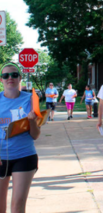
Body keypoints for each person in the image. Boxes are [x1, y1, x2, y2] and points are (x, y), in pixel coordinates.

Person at [0, 62, 41, 213]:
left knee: (17, 205)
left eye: (14, 75)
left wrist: (32, 122)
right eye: (5, 75)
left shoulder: (30, 99)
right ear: (1, 80)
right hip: (1, 156)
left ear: (20, 78)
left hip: (24, 155)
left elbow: (35, 135)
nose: (10, 78)